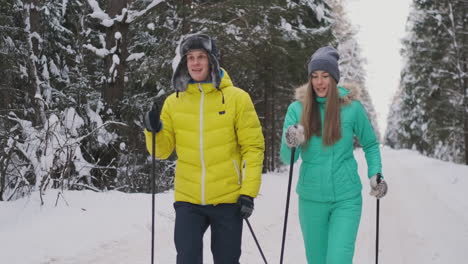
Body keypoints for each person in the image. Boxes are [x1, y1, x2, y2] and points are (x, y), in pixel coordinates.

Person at [143, 33, 265, 264]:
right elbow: (162, 151)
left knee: (226, 260)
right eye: (190, 58)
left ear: (212, 61)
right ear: (184, 62)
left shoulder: (237, 98)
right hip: (188, 198)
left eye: (201, 57)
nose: (195, 63)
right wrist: (153, 130)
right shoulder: (174, 102)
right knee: (187, 258)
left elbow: (253, 147)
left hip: (228, 198)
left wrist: (248, 192)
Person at [280, 46, 388, 264]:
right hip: (311, 199)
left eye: (325, 76)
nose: (320, 82)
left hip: (346, 198)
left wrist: (375, 173)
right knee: (317, 260)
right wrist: (291, 140)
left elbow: (370, 144)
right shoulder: (297, 109)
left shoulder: (352, 108)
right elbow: (286, 158)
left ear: (334, 78)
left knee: (338, 259)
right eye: (315, 76)